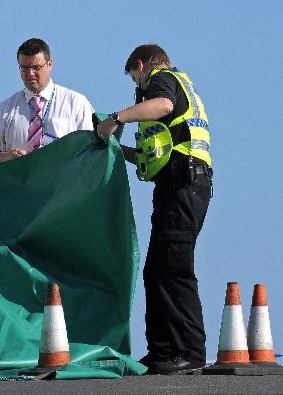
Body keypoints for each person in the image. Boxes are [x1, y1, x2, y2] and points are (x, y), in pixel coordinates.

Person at [96, 44, 213, 375]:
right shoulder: (177, 88)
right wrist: (121, 149)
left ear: (142, 66)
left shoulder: (162, 78)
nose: (136, 87)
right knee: (156, 270)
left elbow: (162, 105)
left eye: (135, 77)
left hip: (184, 185)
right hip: (175, 185)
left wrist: (116, 119)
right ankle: (162, 351)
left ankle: (189, 351)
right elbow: (155, 157)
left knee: (175, 269)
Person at [0, 38, 95, 167]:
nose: (30, 74)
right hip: (19, 184)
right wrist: (7, 157)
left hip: (63, 183)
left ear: (50, 64)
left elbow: (92, 150)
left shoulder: (75, 103)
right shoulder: (6, 108)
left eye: (36, 67)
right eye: (24, 68)